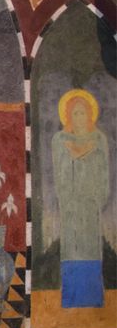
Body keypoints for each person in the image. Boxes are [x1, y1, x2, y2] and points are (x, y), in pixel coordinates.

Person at [52, 89, 110, 308]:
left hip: (90, 206)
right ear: (67, 116)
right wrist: (69, 197)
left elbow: (103, 174)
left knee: (91, 247)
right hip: (71, 207)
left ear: (90, 115)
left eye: (82, 112)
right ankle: (71, 297)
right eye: (74, 113)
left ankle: (93, 297)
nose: (79, 117)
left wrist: (95, 197)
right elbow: (60, 175)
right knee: (71, 247)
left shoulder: (99, 139)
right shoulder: (60, 140)